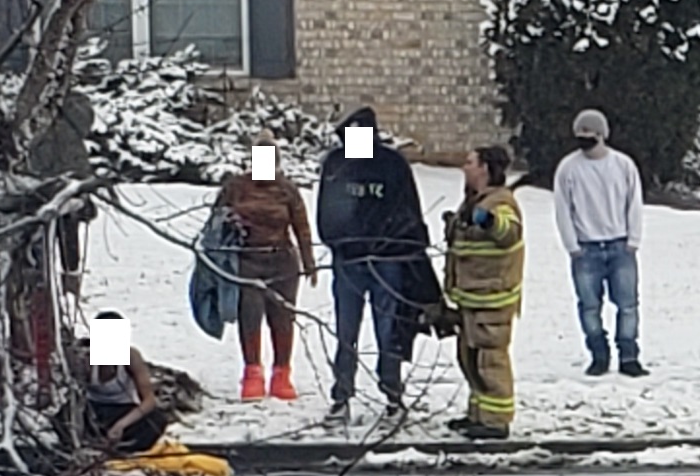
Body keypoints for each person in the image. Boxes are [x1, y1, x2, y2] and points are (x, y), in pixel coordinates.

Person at [315, 106, 431, 427]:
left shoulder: (392, 165)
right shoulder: (337, 164)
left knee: (388, 330)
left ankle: (393, 396)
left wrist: (399, 247)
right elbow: (326, 211)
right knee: (345, 331)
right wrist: (338, 244)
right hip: (349, 261)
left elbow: (408, 210)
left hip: (387, 260)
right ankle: (341, 396)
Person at [212, 130, 317, 402]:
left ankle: (282, 374)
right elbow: (215, 222)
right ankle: (252, 374)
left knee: (282, 319)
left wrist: (309, 261)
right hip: (247, 262)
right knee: (250, 316)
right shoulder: (236, 187)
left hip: (282, 262)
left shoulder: (287, 189)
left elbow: (301, 227)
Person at [553, 109, 648, 377]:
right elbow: (563, 209)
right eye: (580, 134)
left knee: (628, 304)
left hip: (620, 246)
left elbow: (634, 203)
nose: (584, 140)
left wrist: (633, 239)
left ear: (602, 135)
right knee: (589, 306)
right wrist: (572, 246)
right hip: (586, 249)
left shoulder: (623, 165)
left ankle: (629, 356)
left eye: (589, 135)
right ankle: (599, 355)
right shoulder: (568, 168)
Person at [443, 145, 525, 441]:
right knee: (471, 359)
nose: (464, 168)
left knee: (490, 360)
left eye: (470, 163)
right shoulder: (476, 201)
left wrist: (488, 222)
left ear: (486, 168)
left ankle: (496, 420)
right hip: (471, 298)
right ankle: (479, 414)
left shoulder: (500, 204)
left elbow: (509, 232)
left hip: (492, 300)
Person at [77, 312, 167, 455]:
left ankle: (124, 448)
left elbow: (149, 401)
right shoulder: (84, 360)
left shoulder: (131, 357)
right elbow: (75, 396)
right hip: (94, 410)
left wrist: (121, 425)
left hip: (122, 410)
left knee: (156, 420)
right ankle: (89, 443)